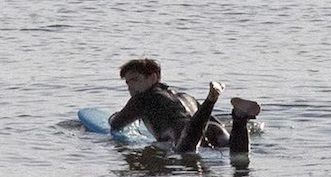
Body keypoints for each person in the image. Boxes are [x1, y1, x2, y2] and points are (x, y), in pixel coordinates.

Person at [108, 58, 260, 156]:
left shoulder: (141, 99)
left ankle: (211, 100)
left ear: (153, 77)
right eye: (127, 83)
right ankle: (239, 118)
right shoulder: (185, 96)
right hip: (213, 128)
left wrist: (113, 117)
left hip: (183, 134)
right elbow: (212, 121)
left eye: (135, 80)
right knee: (238, 155)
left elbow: (116, 124)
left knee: (186, 151)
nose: (130, 87)